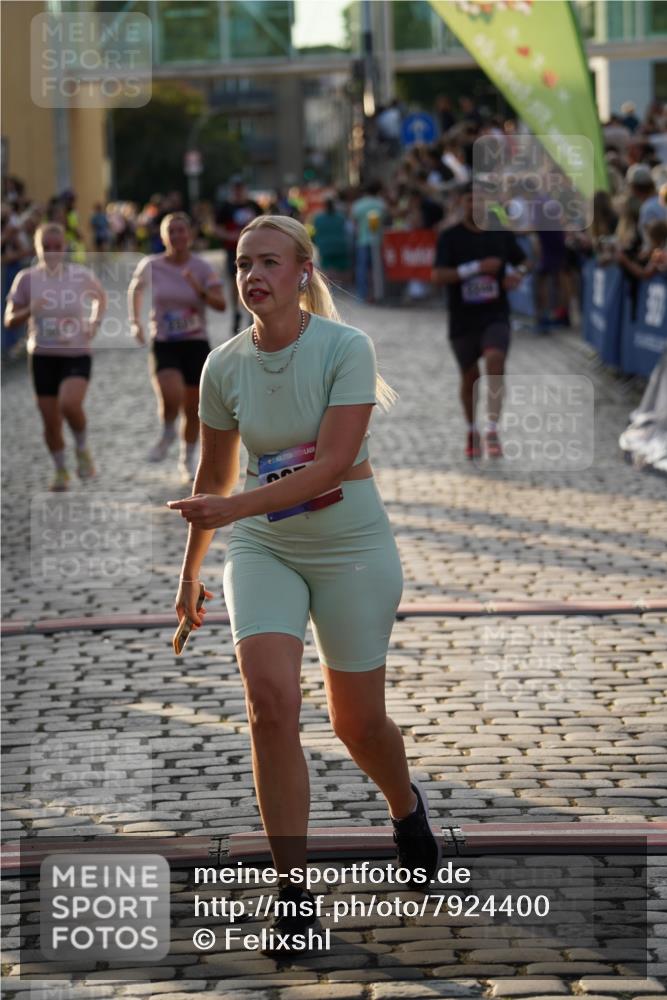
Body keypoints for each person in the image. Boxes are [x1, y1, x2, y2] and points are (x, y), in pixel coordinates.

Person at [167, 215, 441, 952]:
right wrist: (191, 570)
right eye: (241, 263)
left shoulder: (345, 347)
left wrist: (230, 507)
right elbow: (212, 476)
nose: (253, 275)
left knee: (357, 724)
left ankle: (403, 805)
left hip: (351, 544)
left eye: (268, 262)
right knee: (269, 703)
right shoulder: (222, 365)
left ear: (301, 273)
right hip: (263, 548)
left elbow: (328, 464)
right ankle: (292, 895)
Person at [3, 223, 106, 490]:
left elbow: (101, 297)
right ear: (36, 249)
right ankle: (60, 469)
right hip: (42, 355)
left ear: (64, 248)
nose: (51, 252)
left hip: (76, 352)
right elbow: (9, 320)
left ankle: (82, 448)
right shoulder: (26, 279)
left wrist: (93, 324)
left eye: (56, 247)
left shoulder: (79, 275)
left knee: (69, 404)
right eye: (45, 247)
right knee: (50, 420)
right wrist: (29, 310)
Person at [128, 212, 227, 482]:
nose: (177, 236)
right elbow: (136, 290)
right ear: (163, 237)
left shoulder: (202, 268)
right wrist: (135, 323)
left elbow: (221, 304)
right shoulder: (151, 265)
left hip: (195, 342)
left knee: (193, 407)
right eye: (171, 231)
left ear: (190, 235)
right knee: (170, 396)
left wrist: (200, 290)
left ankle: (187, 456)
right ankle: (168, 430)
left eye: (182, 230)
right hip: (164, 341)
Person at [432, 183, 528, 460]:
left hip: (496, 313)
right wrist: (475, 268)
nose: (475, 206)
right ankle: (471, 427)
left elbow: (525, 261)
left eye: (481, 201)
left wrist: (517, 274)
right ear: (462, 203)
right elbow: (438, 276)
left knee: (495, 359)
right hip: (462, 316)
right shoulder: (450, 237)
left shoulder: (499, 234)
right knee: (470, 376)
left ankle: (493, 428)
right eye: (470, 200)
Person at [214, 178, 263, 334]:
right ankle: (236, 312)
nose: (239, 191)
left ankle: (251, 313)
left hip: (254, 251)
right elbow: (216, 228)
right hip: (233, 250)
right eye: (236, 188)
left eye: (241, 188)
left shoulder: (253, 205)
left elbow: (263, 223)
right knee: (235, 282)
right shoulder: (225, 207)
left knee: (253, 280)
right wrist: (230, 235)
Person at [351, 180, 387, 303]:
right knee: (377, 269)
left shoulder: (358, 205)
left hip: (362, 240)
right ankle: (378, 294)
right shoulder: (381, 204)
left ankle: (362, 295)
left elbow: (353, 222)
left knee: (362, 269)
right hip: (377, 241)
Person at [311, 196, 350, 286]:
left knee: (326, 268)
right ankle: (343, 287)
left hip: (325, 246)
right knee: (341, 267)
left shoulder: (318, 219)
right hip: (340, 245)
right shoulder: (341, 217)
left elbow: (315, 231)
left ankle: (330, 287)